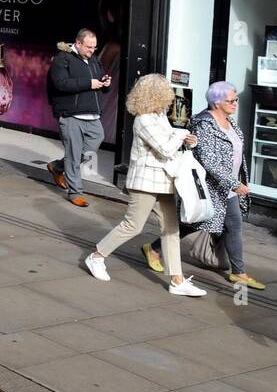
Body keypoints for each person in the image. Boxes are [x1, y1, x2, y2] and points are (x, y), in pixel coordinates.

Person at [83, 74, 206, 297]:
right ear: (155, 94)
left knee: (171, 229)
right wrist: (180, 135)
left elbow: (172, 144)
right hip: (145, 182)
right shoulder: (143, 119)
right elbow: (165, 148)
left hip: (165, 180)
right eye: (166, 92)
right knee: (133, 225)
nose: (170, 97)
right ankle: (96, 257)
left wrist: (188, 140)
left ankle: (177, 280)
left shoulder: (159, 116)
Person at [142, 82, 264, 289]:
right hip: (210, 187)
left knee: (233, 225)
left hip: (227, 186)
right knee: (192, 224)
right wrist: (233, 183)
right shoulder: (204, 124)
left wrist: (237, 179)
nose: (235, 103)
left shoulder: (229, 122)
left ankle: (239, 272)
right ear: (216, 102)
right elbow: (208, 160)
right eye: (231, 100)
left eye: (236, 100)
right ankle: (153, 248)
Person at [46, 28, 111, 208]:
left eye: (95, 47)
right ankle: (75, 192)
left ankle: (58, 167)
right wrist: (88, 83)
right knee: (74, 155)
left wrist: (105, 83)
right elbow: (60, 84)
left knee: (94, 144)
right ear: (78, 43)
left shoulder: (94, 60)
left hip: (92, 114)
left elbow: (98, 82)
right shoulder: (62, 59)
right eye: (89, 47)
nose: (92, 50)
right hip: (71, 114)